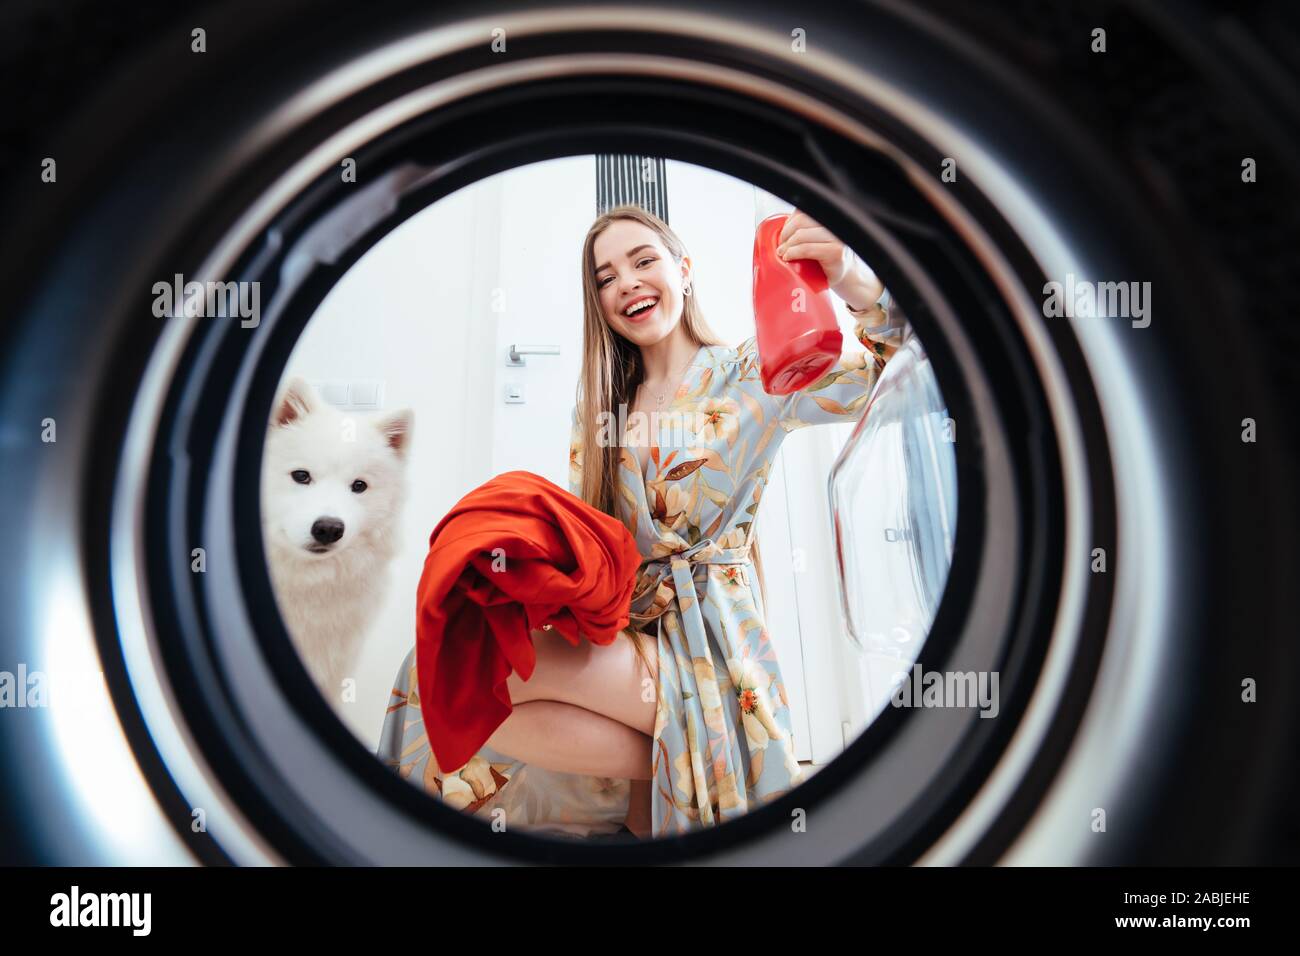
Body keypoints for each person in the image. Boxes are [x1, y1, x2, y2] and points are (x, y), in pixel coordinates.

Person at [379, 203, 897, 840]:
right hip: (627, 627)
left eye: (643, 260)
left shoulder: (750, 371)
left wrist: (851, 278)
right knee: (454, 676)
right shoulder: (600, 405)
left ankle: (704, 753)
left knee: (477, 677)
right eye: (605, 277)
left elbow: (886, 373)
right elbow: (591, 542)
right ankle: (694, 758)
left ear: (683, 270)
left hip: (709, 636)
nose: (625, 282)